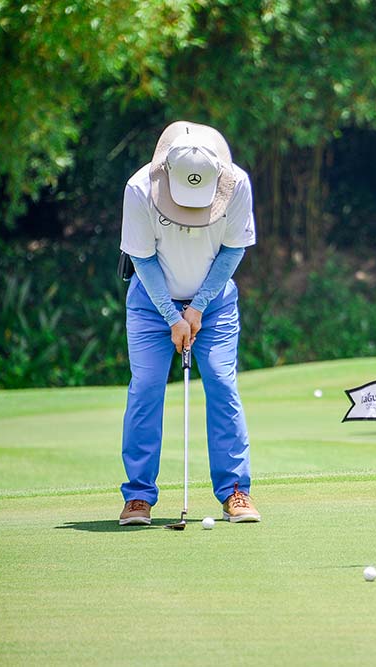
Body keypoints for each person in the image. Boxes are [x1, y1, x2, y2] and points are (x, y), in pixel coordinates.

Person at [117, 120, 261, 526]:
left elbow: (233, 251)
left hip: (213, 305)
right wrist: (171, 315)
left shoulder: (237, 184)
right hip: (151, 303)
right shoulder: (139, 188)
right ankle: (138, 496)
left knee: (221, 382)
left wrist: (196, 309)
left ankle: (235, 490)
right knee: (146, 388)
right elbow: (142, 258)